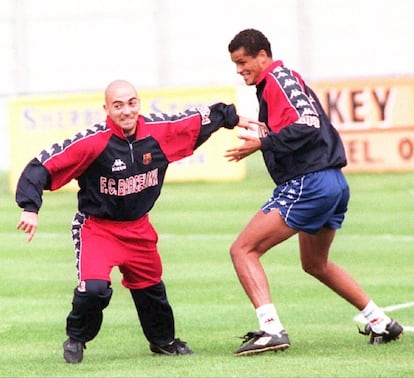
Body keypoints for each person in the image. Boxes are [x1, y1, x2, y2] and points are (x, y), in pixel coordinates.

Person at [15, 79, 247, 363]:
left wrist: (231, 118)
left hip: (139, 228)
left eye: (131, 103)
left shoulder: (158, 132)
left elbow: (193, 122)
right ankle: (77, 338)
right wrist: (30, 207)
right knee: (94, 290)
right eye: (118, 105)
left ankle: (163, 342)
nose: (126, 110)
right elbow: (43, 165)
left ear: (138, 103)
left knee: (151, 288)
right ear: (106, 109)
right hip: (98, 229)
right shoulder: (92, 142)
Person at [224, 29, 403, 356]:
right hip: (333, 183)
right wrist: (263, 132)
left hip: (310, 183)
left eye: (243, 62)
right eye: (235, 64)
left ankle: (271, 329)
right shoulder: (281, 81)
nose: (239, 70)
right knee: (315, 263)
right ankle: (381, 322)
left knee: (243, 250)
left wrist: (263, 142)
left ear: (263, 55)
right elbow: (301, 123)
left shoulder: (277, 80)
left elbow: (307, 124)